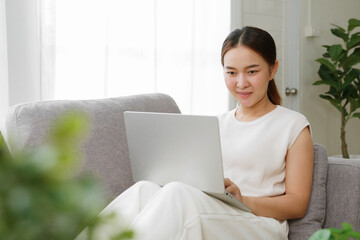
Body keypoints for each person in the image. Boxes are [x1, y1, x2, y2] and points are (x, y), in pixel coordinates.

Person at [92, 26, 314, 240]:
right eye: (231, 72)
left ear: (272, 69)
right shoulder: (215, 124)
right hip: (213, 212)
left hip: (259, 223)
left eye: (252, 71)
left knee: (178, 193)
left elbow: (297, 203)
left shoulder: (293, 125)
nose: (241, 83)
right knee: (144, 189)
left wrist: (243, 199)